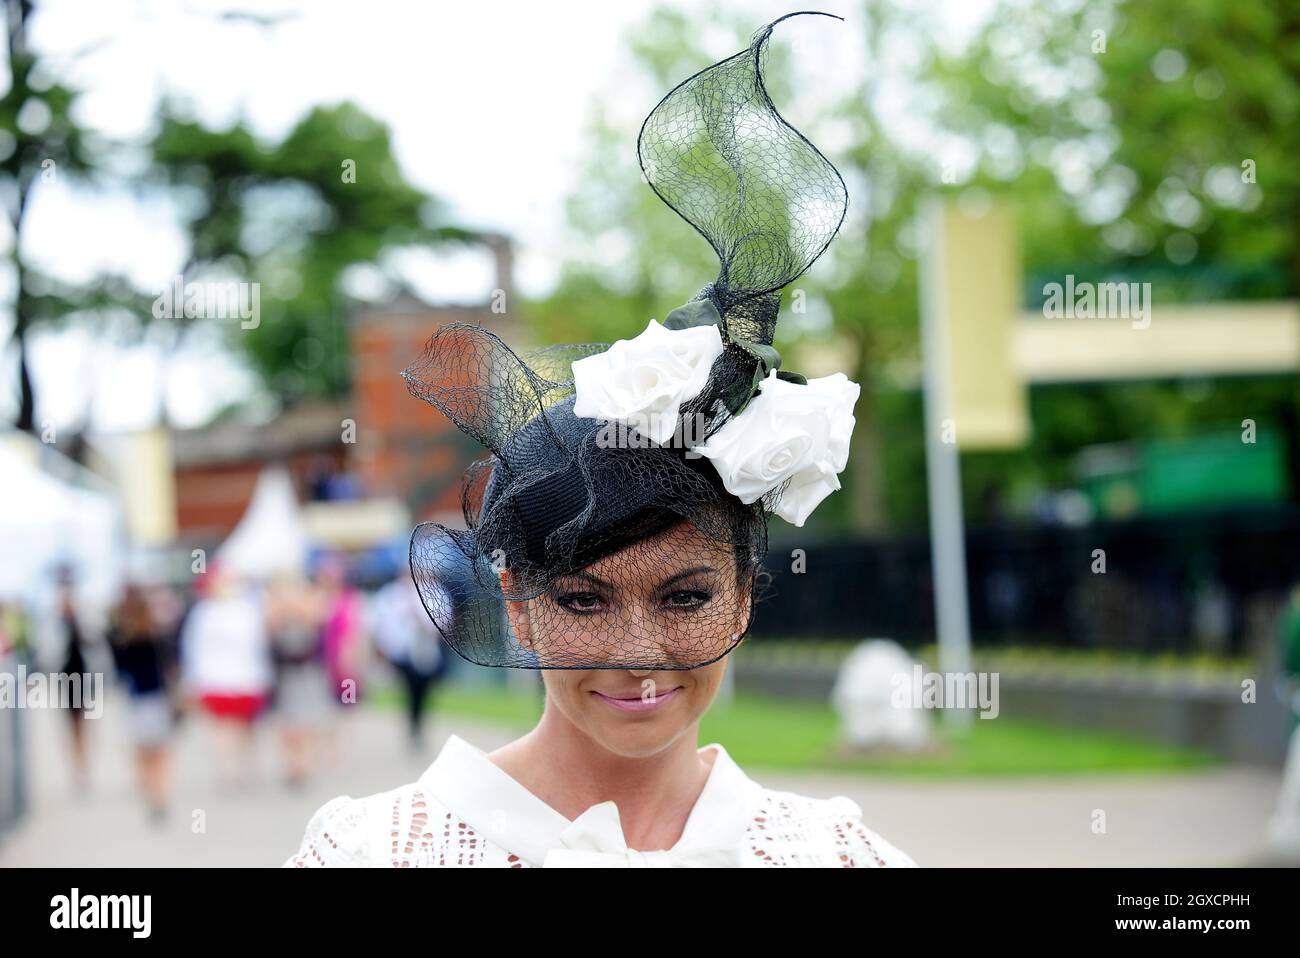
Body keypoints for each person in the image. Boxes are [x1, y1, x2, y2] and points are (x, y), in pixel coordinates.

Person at [286, 12, 914, 868]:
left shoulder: (829, 855)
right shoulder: (380, 853)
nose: (641, 653)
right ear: (515, 602)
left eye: (686, 598)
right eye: (583, 600)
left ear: (742, 598)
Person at [179, 562, 273, 792]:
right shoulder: (204, 613)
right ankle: (227, 772)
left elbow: (259, 645)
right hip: (216, 678)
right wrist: (193, 680)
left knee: (245, 726)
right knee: (222, 727)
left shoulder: (247, 610)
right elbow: (193, 648)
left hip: (247, 677)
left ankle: (247, 768)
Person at [107, 584, 178, 823]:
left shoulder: (121, 640)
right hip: (155, 699)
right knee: (159, 754)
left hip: (136, 702)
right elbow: (169, 670)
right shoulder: (157, 637)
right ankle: (159, 795)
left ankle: (150, 793)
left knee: (142, 754)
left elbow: (118, 670)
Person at [369, 571, 450, 750]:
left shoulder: (434, 593)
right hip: (401, 653)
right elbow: (380, 622)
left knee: (423, 690)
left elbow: (442, 623)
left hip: (425, 652)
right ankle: (412, 725)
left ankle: (418, 724)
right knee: (408, 689)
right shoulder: (390, 594)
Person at [265, 572, 332, 787]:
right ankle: (293, 764)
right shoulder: (272, 607)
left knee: (309, 719)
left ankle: (306, 763)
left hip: (307, 669)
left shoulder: (312, 603)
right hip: (283, 672)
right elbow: (270, 625)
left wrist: (293, 606)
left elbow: (315, 620)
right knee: (287, 722)